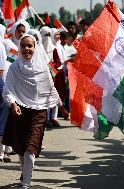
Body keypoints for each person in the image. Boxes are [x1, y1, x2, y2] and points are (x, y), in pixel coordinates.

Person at [2, 34, 65, 188]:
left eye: (30, 46)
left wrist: (61, 106)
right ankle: (25, 171)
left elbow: (50, 89)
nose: (26, 49)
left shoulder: (43, 68)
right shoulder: (14, 68)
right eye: (23, 46)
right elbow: (7, 91)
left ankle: (26, 183)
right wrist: (13, 104)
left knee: (31, 147)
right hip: (19, 111)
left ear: (35, 48)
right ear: (19, 48)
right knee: (20, 148)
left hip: (38, 112)